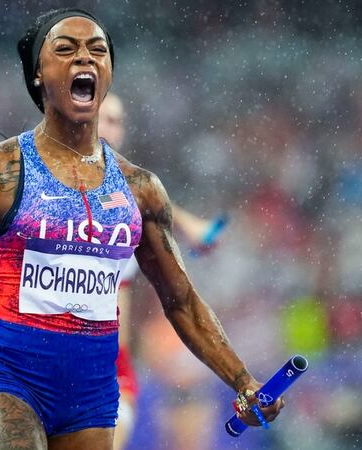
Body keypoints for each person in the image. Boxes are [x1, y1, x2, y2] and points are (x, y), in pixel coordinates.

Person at [0, 8, 284, 450]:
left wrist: (243, 381)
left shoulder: (140, 191)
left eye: (97, 50)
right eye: (65, 49)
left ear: (106, 74)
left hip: (92, 396)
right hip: (9, 378)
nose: (84, 58)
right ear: (39, 76)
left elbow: (181, 300)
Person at [98, 92, 228, 450]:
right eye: (102, 118)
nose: (110, 129)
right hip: (50, 357)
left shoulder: (128, 197)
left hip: (110, 368)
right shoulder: (47, 190)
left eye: (117, 121)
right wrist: (190, 226)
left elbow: (138, 200)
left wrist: (191, 227)